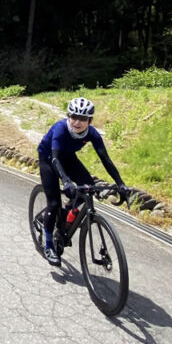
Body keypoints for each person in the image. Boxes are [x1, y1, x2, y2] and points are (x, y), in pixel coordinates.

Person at [36, 97, 127, 266]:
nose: (77, 122)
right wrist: (66, 181)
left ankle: (65, 216)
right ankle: (48, 245)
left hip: (68, 157)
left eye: (83, 119)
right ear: (68, 116)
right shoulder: (60, 129)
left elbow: (105, 160)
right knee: (54, 203)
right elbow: (55, 159)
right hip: (49, 158)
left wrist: (120, 183)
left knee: (87, 189)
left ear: (90, 120)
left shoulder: (92, 133)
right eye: (74, 117)